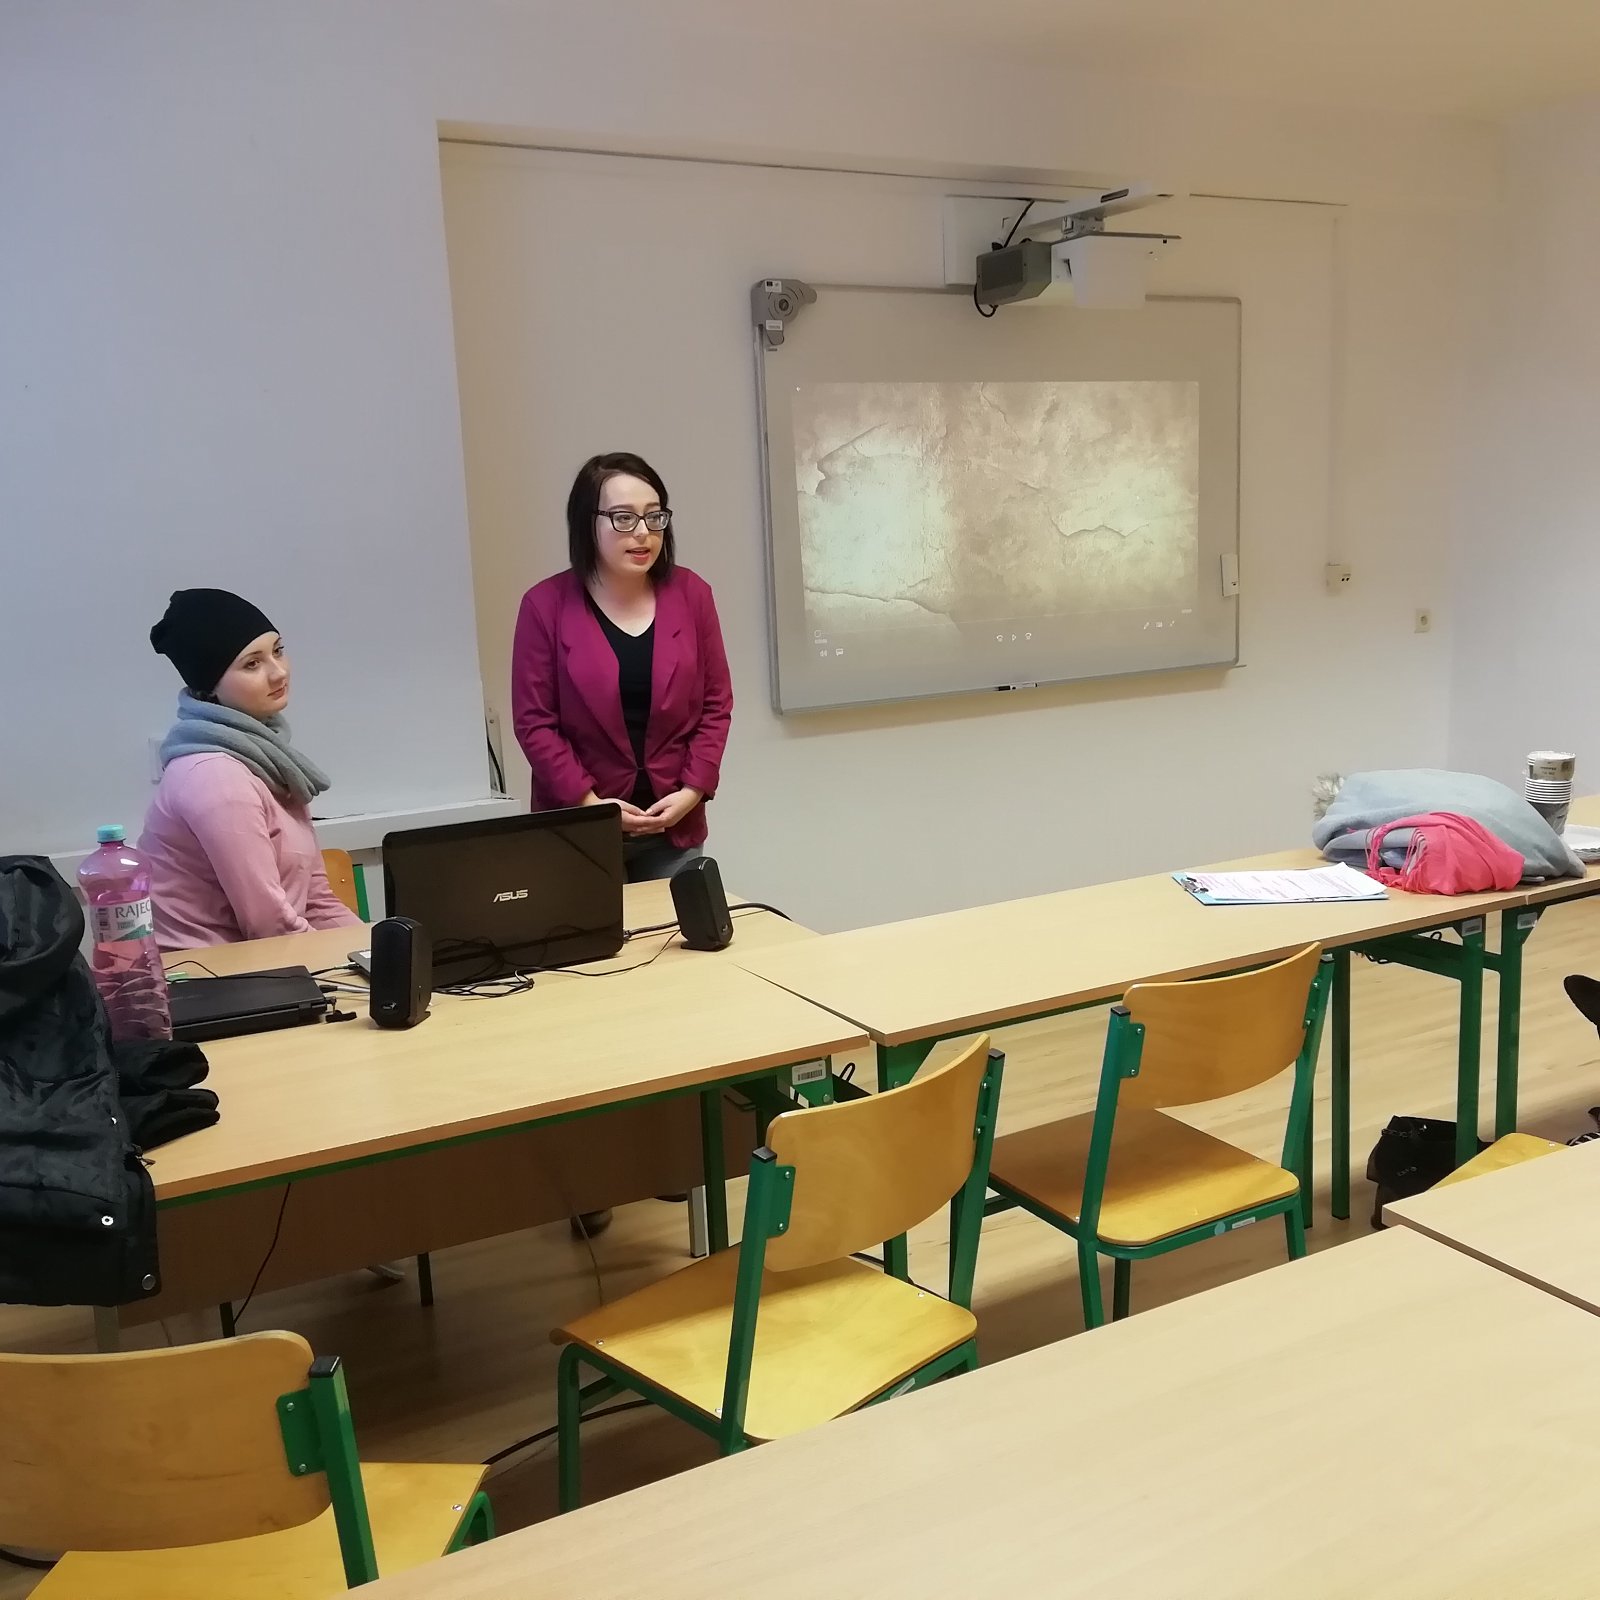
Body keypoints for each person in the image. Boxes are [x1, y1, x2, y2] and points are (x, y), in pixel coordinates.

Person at [512, 452, 733, 882]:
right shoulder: (544, 606)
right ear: (587, 523)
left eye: (654, 516)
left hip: (673, 825)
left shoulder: (692, 594)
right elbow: (535, 723)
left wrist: (692, 791)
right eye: (623, 518)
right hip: (580, 828)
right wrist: (591, 805)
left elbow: (716, 705)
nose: (643, 533)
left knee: (674, 926)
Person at [140, 588, 363, 951]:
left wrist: (380, 954)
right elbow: (269, 925)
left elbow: (316, 900)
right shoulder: (214, 776)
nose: (279, 672)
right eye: (252, 664)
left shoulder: (268, 761)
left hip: (268, 963)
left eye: (278, 651)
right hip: (213, 975)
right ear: (211, 686)